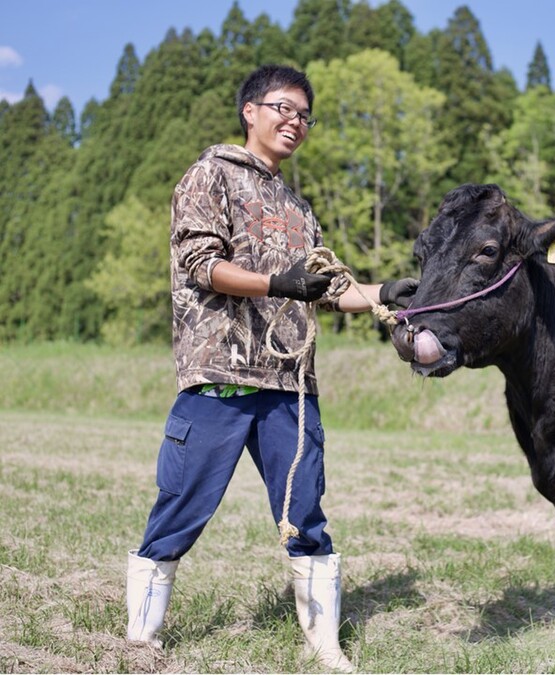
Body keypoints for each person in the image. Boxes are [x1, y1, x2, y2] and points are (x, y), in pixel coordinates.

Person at [125, 64, 416, 673]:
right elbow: (200, 264)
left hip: (291, 388)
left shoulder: (299, 207)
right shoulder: (211, 175)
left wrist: (386, 291)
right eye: (283, 108)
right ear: (250, 111)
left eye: (304, 115)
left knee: (305, 510)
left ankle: (324, 645)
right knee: (183, 504)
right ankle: (140, 639)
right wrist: (275, 283)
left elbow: (326, 290)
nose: (295, 122)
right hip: (221, 376)